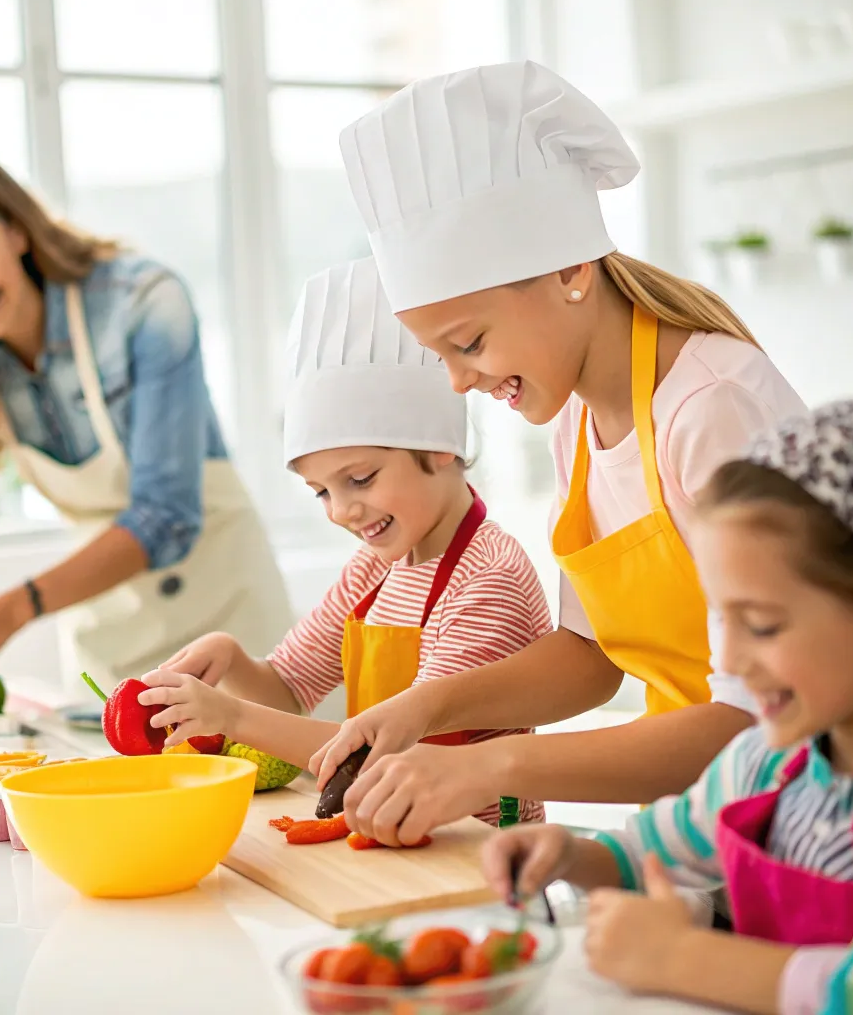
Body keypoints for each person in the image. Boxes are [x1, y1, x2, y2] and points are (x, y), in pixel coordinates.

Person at [310, 59, 808, 846]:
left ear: (571, 270)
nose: (457, 381)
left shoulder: (713, 408)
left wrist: (490, 771)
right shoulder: (575, 423)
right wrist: (423, 708)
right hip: (707, 831)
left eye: (467, 342)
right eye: (437, 354)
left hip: (816, 829)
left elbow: (759, 718)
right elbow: (591, 657)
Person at [0, 147, 292, 695]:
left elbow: (165, 515)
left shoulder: (144, 303)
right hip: (112, 643)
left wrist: (12, 610)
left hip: (230, 623)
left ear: (16, 232)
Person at [481, 399, 853, 1015]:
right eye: (721, 619)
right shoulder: (764, 765)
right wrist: (570, 855)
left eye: (763, 625)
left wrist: (679, 959)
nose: (733, 663)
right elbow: (648, 852)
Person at [136, 256, 553, 824]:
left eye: (359, 480)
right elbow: (286, 690)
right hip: (391, 834)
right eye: (320, 492)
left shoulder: (488, 581)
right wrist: (232, 657)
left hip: (477, 853)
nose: (341, 511)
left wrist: (230, 718)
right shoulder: (374, 570)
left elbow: (385, 762)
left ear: (439, 448)